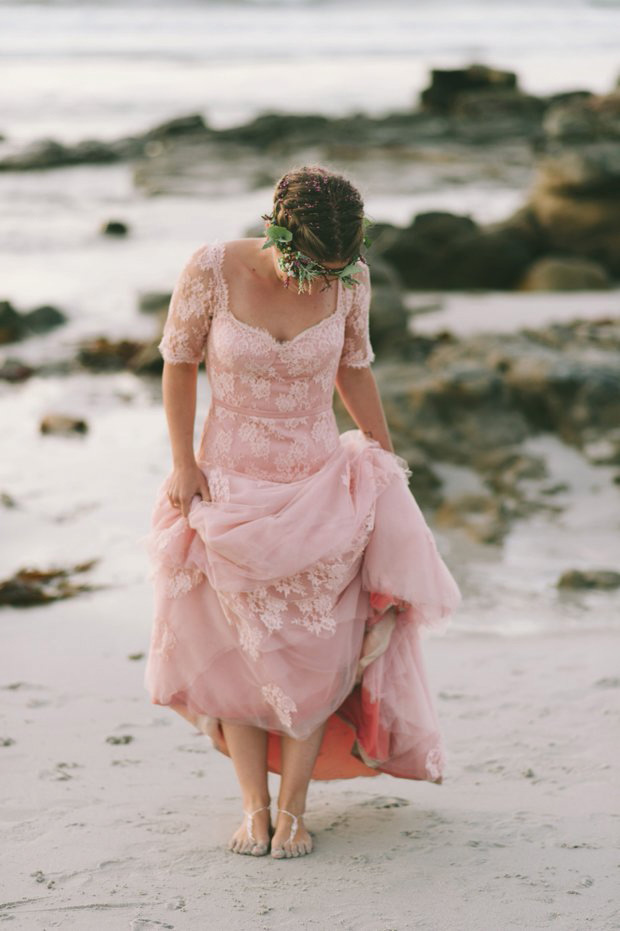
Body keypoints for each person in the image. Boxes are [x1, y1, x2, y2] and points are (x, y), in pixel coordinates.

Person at [142, 164, 461, 860]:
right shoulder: (210, 268)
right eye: (314, 265)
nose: (325, 281)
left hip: (320, 486)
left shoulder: (351, 280)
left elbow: (354, 365)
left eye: (340, 267)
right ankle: (252, 808)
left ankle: (294, 812)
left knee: (317, 655)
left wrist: (382, 456)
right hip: (230, 487)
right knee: (240, 652)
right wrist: (183, 463)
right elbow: (177, 361)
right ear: (277, 233)